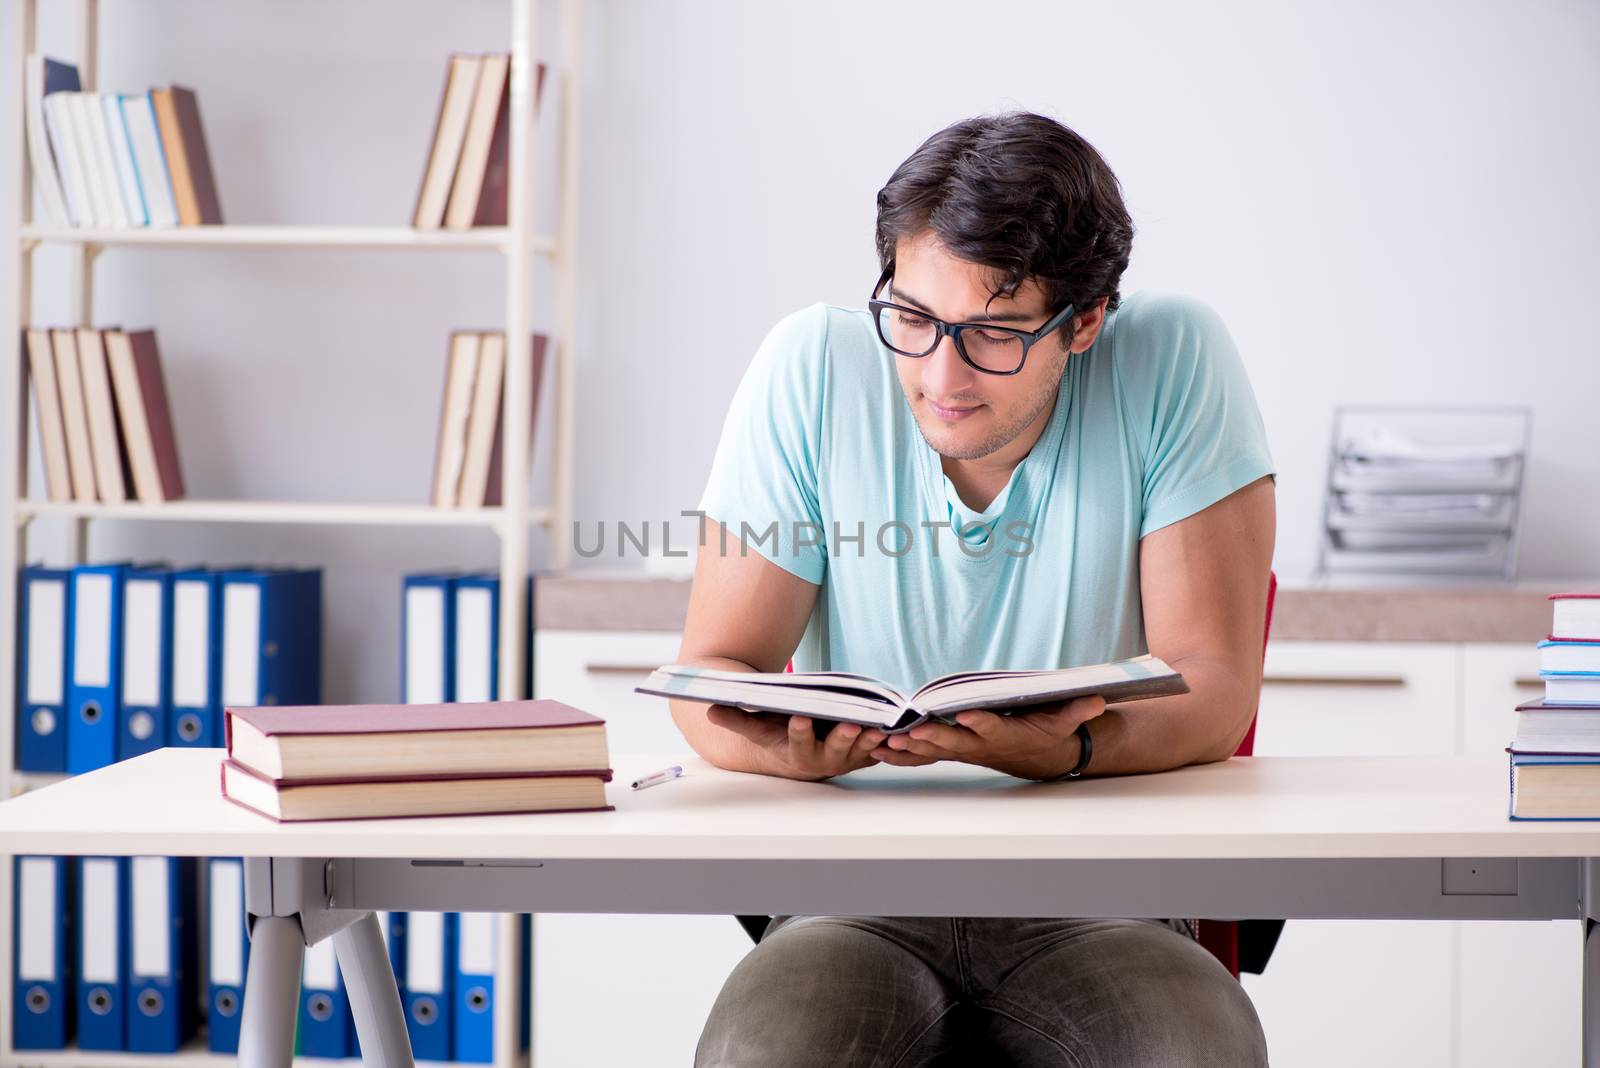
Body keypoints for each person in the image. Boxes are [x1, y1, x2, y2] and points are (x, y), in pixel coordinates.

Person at [671, 111, 1275, 1067]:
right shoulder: (810, 367)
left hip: (1105, 898)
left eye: (991, 333)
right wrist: (787, 754)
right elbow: (712, 674)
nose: (938, 376)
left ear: (1084, 321)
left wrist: (1073, 749)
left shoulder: (1173, 357)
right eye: (911, 319)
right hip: (850, 900)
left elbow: (1213, 682)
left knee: (1189, 1050)